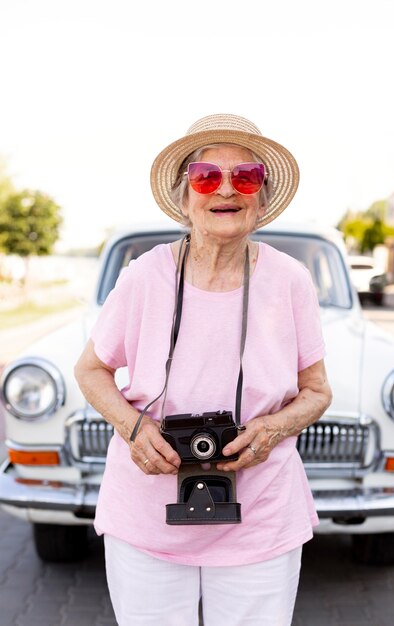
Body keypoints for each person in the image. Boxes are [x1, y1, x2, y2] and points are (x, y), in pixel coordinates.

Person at [74, 113, 332, 626]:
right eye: (207, 175)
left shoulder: (290, 279)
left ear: (261, 197)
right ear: (186, 196)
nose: (226, 190)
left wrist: (273, 428)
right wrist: (133, 427)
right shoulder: (145, 275)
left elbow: (317, 390)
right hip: (147, 515)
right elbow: (91, 370)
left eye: (247, 176)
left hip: (260, 515)